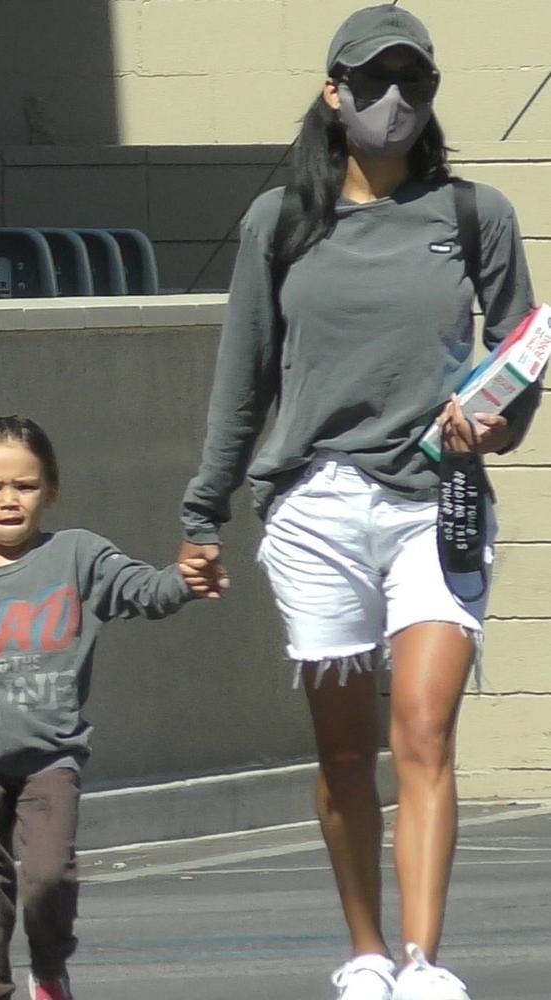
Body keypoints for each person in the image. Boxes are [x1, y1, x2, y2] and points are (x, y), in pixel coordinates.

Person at [178, 5, 541, 1000]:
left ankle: (424, 962)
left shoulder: (474, 215)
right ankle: (365, 950)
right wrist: (201, 513)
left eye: (412, 84)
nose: (393, 103)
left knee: (419, 731)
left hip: (438, 502)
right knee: (342, 748)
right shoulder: (277, 221)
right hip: (316, 505)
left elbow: (519, 359)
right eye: (371, 83)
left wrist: (495, 425)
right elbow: (241, 377)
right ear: (331, 93)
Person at [0, 415, 205, 1000]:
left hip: (52, 759)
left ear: (51, 490)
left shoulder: (78, 556)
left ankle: (49, 965)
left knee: (47, 876)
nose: (10, 500)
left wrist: (187, 579)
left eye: (25, 485)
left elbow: (144, 591)